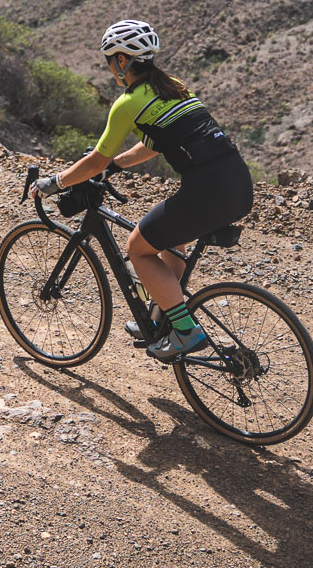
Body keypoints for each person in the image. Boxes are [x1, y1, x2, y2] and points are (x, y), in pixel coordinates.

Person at [33, 19, 253, 361]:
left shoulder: (128, 103)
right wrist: (116, 165)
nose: (110, 67)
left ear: (122, 60)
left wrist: (55, 182)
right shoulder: (174, 87)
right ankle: (161, 317)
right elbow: (153, 144)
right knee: (170, 238)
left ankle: (186, 332)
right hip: (238, 185)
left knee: (138, 247)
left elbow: (93, 161)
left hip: (206, 191)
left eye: (110, 60)